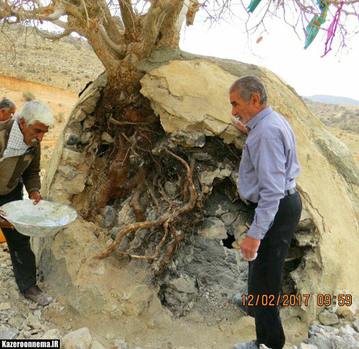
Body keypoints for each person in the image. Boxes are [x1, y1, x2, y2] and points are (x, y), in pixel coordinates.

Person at [229, 76, 302, 349]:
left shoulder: (266, 134)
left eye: (236, 104)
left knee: (266, 277)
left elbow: (271, 193)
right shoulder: (269, 122)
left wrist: (255, 235)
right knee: (259, 267)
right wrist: (250, 131)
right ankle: (253, 305)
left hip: (277, 207)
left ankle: (270, 342)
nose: (234, 111)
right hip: (281, 205)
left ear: (254, 100)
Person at [0, 100, 54, 306]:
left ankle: (29, 286)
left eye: (44, 133)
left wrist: (33, 191)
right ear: (22, 123)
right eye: (37, 131)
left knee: (19, 238)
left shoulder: (34, 144)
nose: (40, 137)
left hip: (10, 191)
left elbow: (32, 171)